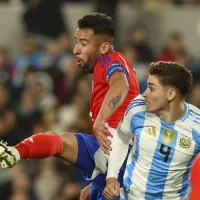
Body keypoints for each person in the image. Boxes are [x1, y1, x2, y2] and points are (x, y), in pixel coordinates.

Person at [0, 13, 140, 200]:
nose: (75, 49)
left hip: (121, 153)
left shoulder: (110, 61)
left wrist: (100, 121)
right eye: (76, 42)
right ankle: (14, 152)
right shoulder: (104, 66)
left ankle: (15, 152)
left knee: (62, 142)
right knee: (61, 142)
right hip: (110, 154)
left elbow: (120, 85)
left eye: (83, 43)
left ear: (104, 47)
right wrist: (96, 182)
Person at [103, 61, 200, 200]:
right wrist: (111, 176)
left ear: (171, 94)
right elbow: (121, 138)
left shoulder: (197, 126)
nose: (144, 94)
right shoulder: (138, 108)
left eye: (151, 88)